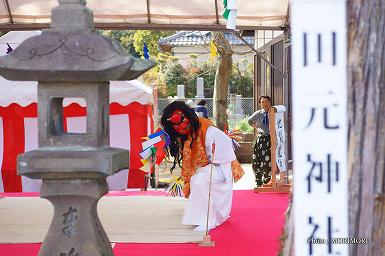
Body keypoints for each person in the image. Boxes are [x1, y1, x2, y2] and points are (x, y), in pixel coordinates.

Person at [161, 101, 244, 232]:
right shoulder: (185, 134)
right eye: (174, 125)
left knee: (199, 180)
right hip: (205, 168)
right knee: (197, 179)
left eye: (181, 122)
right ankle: (200, 217)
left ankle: (208, 220)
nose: (179, 127)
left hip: (219, 167)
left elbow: (226, 144)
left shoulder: (207, 128)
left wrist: (213, 162)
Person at [248, 95, 272, 187]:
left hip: (270, 139)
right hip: (260, 139)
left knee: (267, 161)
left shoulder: (274, 112)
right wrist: (255, 126)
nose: (264, 104)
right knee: (256, 160)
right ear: (260, 104)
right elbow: (249, 121)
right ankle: (258, 181)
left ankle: (266, 181)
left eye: (266, 102)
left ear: (270, 103)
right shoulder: (258, 113)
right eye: (262, 102)